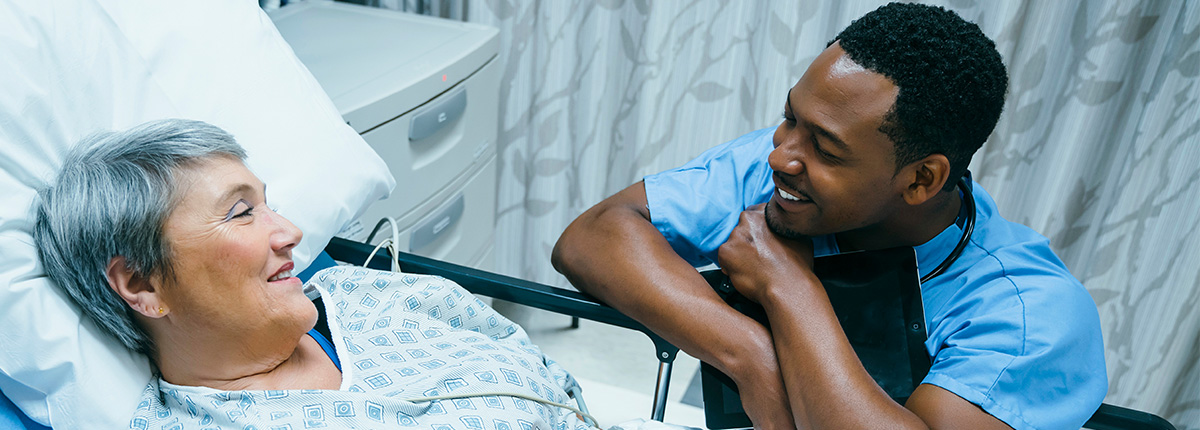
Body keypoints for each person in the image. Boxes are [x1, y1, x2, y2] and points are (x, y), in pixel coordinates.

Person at [552, 3, 1106, 430]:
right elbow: (593, 237)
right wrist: (754, 359)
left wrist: (789, 285)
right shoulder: (786, 175)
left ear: (921, 179)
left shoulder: (1032, 315)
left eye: (827, 148)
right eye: (790, 117)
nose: (779, 155)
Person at [34, 119, 592, 429]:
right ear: (143, 285)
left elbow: (543, 371)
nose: (291, 232)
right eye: (241, 213)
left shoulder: (371, 296)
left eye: (268, 203)